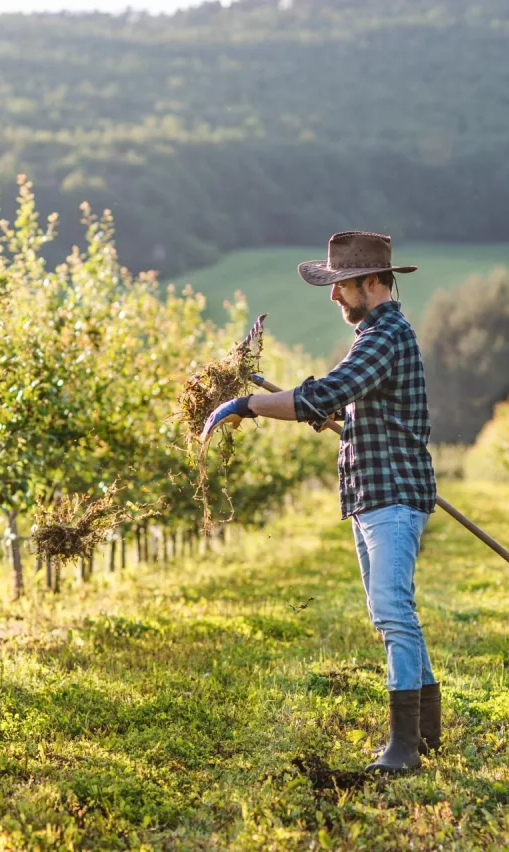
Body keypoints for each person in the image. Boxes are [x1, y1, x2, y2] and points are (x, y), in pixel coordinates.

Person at [202, 230, 439, 773]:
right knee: (393, 613)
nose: (334, 297)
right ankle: (425, 732)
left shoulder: (385, 337)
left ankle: (403, 748)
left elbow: (326, 393)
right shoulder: (377, 337)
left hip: (392, 496)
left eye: (342, 285)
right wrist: (341, 419)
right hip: (372, 494)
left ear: (373, 282)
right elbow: (346, 403)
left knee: (391, 611)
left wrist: (250, 404)